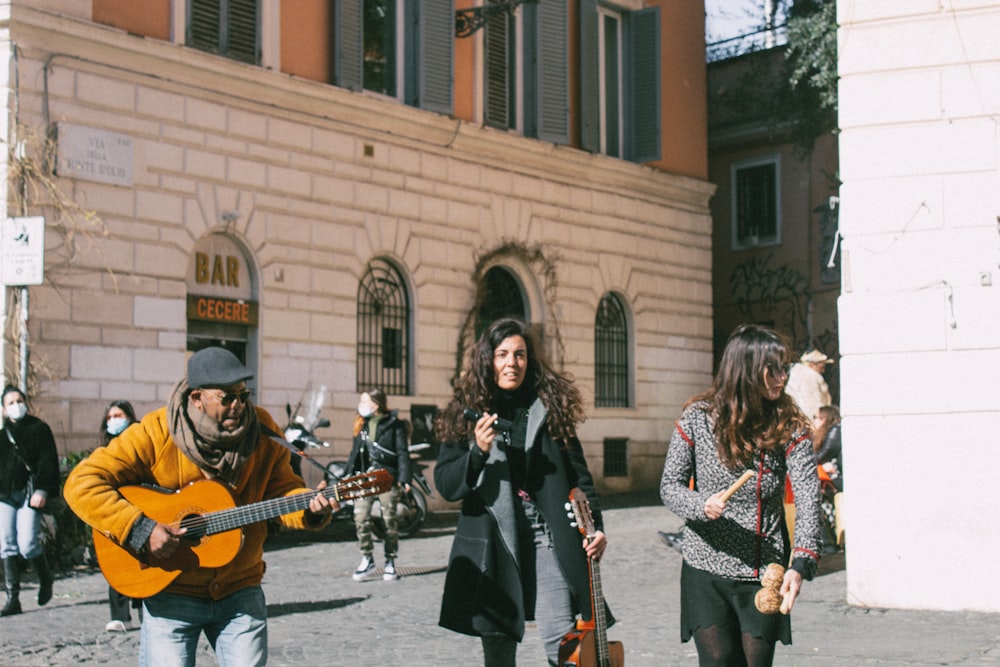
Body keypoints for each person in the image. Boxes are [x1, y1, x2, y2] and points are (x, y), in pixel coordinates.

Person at [63, 347, 336, 666]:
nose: (238, 405)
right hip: (172, 590)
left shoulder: (261, 430)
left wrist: (309, 508)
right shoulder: (156, 432)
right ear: (196, 398)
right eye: (227, 397)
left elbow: (282, 490)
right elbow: (82, 481)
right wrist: (139, 528)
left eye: (243, 395)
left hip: (240, 588)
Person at [434, 317, 610, 667]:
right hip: (494, 537)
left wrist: (596, 526)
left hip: (548, 534)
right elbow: (446, 483)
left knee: (563, 643)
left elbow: (580, 478)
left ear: (529, 360)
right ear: (488, 359)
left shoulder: (548, 405)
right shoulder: (465, 410)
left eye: (519, 355)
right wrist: (477, 453)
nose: (511, 363)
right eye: (502, 355)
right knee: (498, 648)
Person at [660, 324, 822, 667]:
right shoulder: (697, 419)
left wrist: (802, 561)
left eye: (784, 368)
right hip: (706, 565)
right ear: (746, 371)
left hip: (763, 569)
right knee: (718, 660)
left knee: (755, 662)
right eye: (772, 369)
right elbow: (670, 486)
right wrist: (700, 504)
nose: (781, 378)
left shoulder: (789, 423)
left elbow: (808, 495)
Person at [0, 385, 59, 617]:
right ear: (4, 409)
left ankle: (45, 578)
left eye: (19, 401)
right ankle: (12, 598)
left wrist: (43, 490)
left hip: (29, 493)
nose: (16, 406)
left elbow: (48, 462)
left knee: (27, 543)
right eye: (11, 403)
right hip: (5, 495)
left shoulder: (39, 429)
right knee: (6, 543)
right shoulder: (2, 436)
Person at [345, 388, 411, 582]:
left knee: (389, 521)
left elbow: (402, 452)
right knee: (360, 517)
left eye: (365, 401)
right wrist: (347, 477)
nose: (361, 405)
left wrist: (404, 477)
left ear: (376, 404)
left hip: (386, 477)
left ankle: (390, 561)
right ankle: (367, 558)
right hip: (365, 479)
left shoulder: (394, 425)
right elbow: (355, 453)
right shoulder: (362, 425)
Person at [97, 400, 141, 632]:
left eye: (119, 415)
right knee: (118, 563)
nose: (114, 420)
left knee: (146, 560)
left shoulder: (140, 439)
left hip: (142, 505)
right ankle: (121, 615)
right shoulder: (104, 448)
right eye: (110, 417)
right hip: (115, 509)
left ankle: (147, 611)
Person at [784, 349, 833, 420]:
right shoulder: (810, 376)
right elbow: (813, 405)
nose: (823, 371)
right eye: (821, 367)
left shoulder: (795, 373)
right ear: (812, 365)